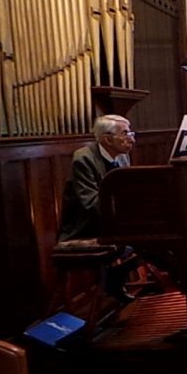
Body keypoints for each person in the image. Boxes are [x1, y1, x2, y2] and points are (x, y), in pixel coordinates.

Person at [58, 114, 137, 303]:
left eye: (131, 133)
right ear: (107, 139)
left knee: (159, 238)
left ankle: (115, 278)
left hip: (114, 222)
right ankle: (114, 280)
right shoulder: (83, 159)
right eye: (125, 134)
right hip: (86, 226)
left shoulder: (122, 156)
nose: (131, 139)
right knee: (149, 239)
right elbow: (91, 203)